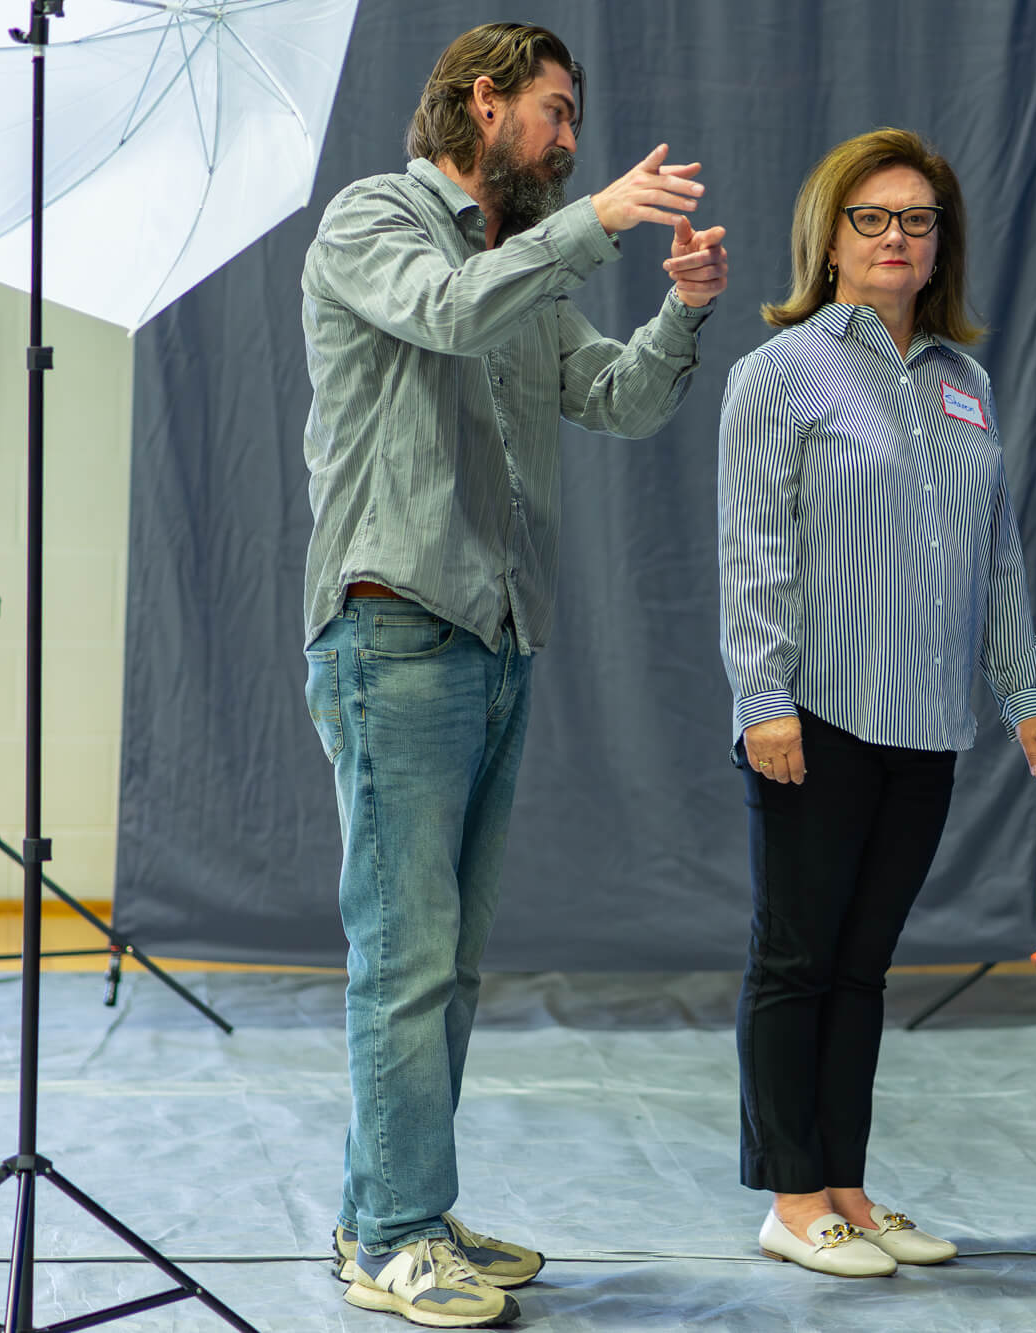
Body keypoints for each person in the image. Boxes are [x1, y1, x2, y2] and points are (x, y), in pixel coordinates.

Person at [298, 22, 727, 1328]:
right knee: (405, 957)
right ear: (481, 107)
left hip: (493, 644)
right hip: (395, 636)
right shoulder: (376, 221)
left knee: (452, 962)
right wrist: (592, 224)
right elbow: (444, 311)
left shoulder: (519, 268)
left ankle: (396, 1201)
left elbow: (617, 398)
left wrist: (682, 313)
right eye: (552, 110)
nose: (570, 140)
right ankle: (398, 1234)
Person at [717, 127, 1036, 1279]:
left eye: (916, 220)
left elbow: (996, 553)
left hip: (927, 720)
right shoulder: (778, 374)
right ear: (829, 239)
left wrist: (1023, 692)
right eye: (871, 217)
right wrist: (762, 696)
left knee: (863, 965)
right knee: (797, 958)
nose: (895, 237)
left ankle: (848, 1187)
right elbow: (756, 550)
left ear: (938, 247)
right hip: (814, 716)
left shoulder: (963, 384)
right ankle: (789, 1195)